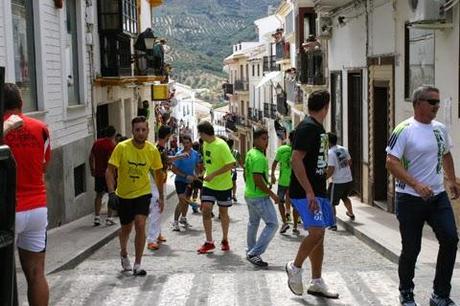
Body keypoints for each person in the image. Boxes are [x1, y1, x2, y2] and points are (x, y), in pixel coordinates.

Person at [386, 86, 459, 306]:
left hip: (437, 197)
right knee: (412, 248)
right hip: (410, 198)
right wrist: (416, 184)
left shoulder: (440, 129)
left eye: (438, 102)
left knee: (450, 239)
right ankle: (406, 292)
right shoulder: (404, 129)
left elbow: (446, 154)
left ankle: (440, 294)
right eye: (432, 102)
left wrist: (452, 180)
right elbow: (391, 162)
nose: (437, 106)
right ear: (418, 104)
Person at [285, 90, 339, 299]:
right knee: (316, 233)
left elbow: (313, 161)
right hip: (306, 193)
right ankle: (295, 267)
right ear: (326, 106)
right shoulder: (308, 127)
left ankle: (316, 281)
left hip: (317, 191)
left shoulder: (317, 128)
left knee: (320, 236)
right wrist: (309, 191)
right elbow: (296, 159)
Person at [3, 83, 51, 305]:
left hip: (8, 211)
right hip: (37, 208)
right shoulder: (41, 128)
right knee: (36, 274)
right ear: (21, 104)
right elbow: (43, 165)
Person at [106, 116, 164, 276]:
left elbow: (159, 174)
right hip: (123, 195)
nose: (140, 133)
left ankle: (138, 264)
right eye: (137, 130)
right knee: (126, 228)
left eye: (143, 130)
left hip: (143, 193)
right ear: (132, 131)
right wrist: (111, 193)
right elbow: (109, 171)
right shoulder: (122, 148)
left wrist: (161, 196)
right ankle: (124, 253)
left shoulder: (152, 150)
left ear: (148, 131)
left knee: (140, 224)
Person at [196, 121, 236, 254]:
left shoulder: (221, 145)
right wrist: (205, 172)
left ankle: (225, 240)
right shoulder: (205, 144)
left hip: (223, 185)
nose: (199, 136)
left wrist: (213, 174)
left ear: (203, 133)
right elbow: (209, 162)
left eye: (200, 133)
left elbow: (231, 164)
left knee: (223, 213)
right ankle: (209, 242)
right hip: (209, 184)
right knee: (206, 209)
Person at [244, 127, 279, 266]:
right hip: (259, 196)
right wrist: (273, 195)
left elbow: (247, 175)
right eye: (264, 139)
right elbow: (258, 179)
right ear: (256, 140)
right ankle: (254, 253)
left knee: (253, 223)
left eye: (268, 139)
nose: (267, 142)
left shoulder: (251, 153)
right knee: (273, 224)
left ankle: (250, 250)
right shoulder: (259, 157)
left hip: (249, 194)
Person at [170, 134, 201, 231]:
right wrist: (185, 176)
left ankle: (183, 219)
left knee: (186, 200)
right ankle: (175, 222)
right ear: (182, 144)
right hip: (180, 180)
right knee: (182, 200)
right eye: (184, 143)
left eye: (188, 143)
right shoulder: (179, 155)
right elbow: (173, 169)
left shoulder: (195, 154)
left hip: (190, 180)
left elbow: (197, 166)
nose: (186, 145)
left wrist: (196, 174)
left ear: (191, 143)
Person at [271, 131, 300, 234]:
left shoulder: (282, 149)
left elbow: (274, 163)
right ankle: (295, 227)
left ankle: (284, 222)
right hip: (295, 181)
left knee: (280, 201)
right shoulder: (300, 150)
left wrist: (273, 175)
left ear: (289, 138)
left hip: (283, 181)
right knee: (296, 203)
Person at [326, 132, 355, 231]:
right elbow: (350, 162)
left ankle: (333, 224)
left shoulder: (330, 153)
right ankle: (351, 213)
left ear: (328, 142)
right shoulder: (344, 149)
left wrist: (323, 178)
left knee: (330, 203)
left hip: (338, 181)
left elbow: (331, 169)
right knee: (344, 197)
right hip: (348, 179)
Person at [89, 125, 117, 226]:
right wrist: (114, 174)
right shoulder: (112, 146)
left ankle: (97, 217)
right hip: (108, 174)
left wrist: (92, 169)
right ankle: (109, 218)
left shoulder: (97, 143)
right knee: (111, 194)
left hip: (98, 173)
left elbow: (91, 156)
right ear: (113, 134)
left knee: (98, 195)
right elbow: (112, 161)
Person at [226, 138, 244, 202]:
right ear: (233, 144)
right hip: (233, 170)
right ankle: (233, 195)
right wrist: (245, 169)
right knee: (234, 183)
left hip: (225, 170)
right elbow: (240, 162)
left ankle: (228, 195)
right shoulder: (236, 152)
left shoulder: (224, 151)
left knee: (227, 183)